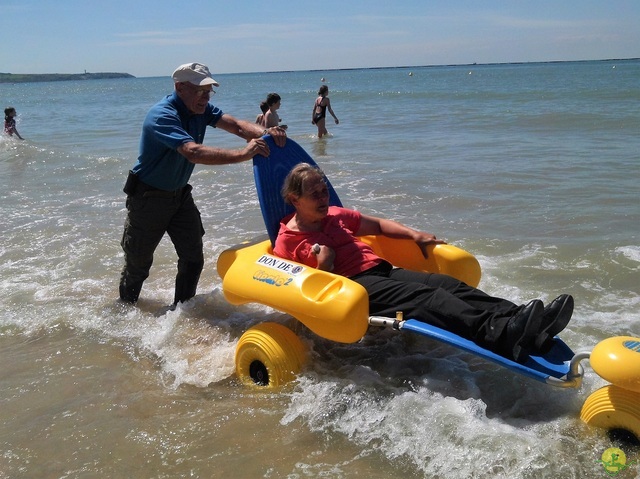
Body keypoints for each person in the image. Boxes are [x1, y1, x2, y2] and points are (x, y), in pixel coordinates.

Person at [273, 163, 574, 363]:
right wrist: (325, 263)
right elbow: (302, 294)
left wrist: (414, 235)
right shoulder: (287, 240)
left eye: (324, 189)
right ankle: (498, 333)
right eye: (314, 194)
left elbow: (376, 226)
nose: (323, 197)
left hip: (382, 271)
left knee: (449, 285)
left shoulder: (335, 215)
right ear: (294, 199)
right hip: (353, 289)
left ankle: (525, 320)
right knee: (429, 299)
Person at [119, 62, 287, 306]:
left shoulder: (201, 109)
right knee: (138, 265)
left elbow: (238, 126)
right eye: (200, 91)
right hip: (148, 198)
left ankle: (182, 312)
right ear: (180, 87)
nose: (205, 97)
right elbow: (193, 152)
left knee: (193, 259)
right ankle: (125, 312)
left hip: (180, 197)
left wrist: (268, 134)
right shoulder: (163, 115)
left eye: (209, 91)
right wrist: (244, 154)